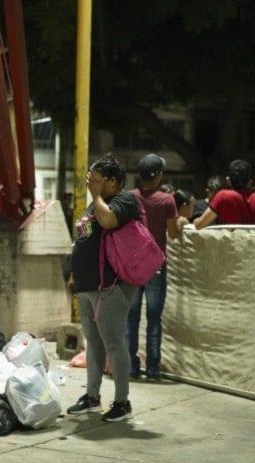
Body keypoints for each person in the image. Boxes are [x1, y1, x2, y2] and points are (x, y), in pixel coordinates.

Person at [66, 154, 139, 422]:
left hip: (110, 285)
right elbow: (83, 241)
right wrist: (74, 274)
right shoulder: (94, 204)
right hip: (87, 284)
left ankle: (122, 401)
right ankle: (92, 397)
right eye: (91, 180)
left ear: (112, 181)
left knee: (114, 343)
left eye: (97, 181)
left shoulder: (125, 200)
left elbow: (108, 221)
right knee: (93, 344)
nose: (91, 185)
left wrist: (96, 197)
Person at [125, 154, 182, 382]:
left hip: (131, 267)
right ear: (158, 175)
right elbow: (174, 233)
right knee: (154, 319)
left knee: (131, 318)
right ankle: (153, 368)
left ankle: (130, 366)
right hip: (156, 268)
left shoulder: (129, 198)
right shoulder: (167, 200)